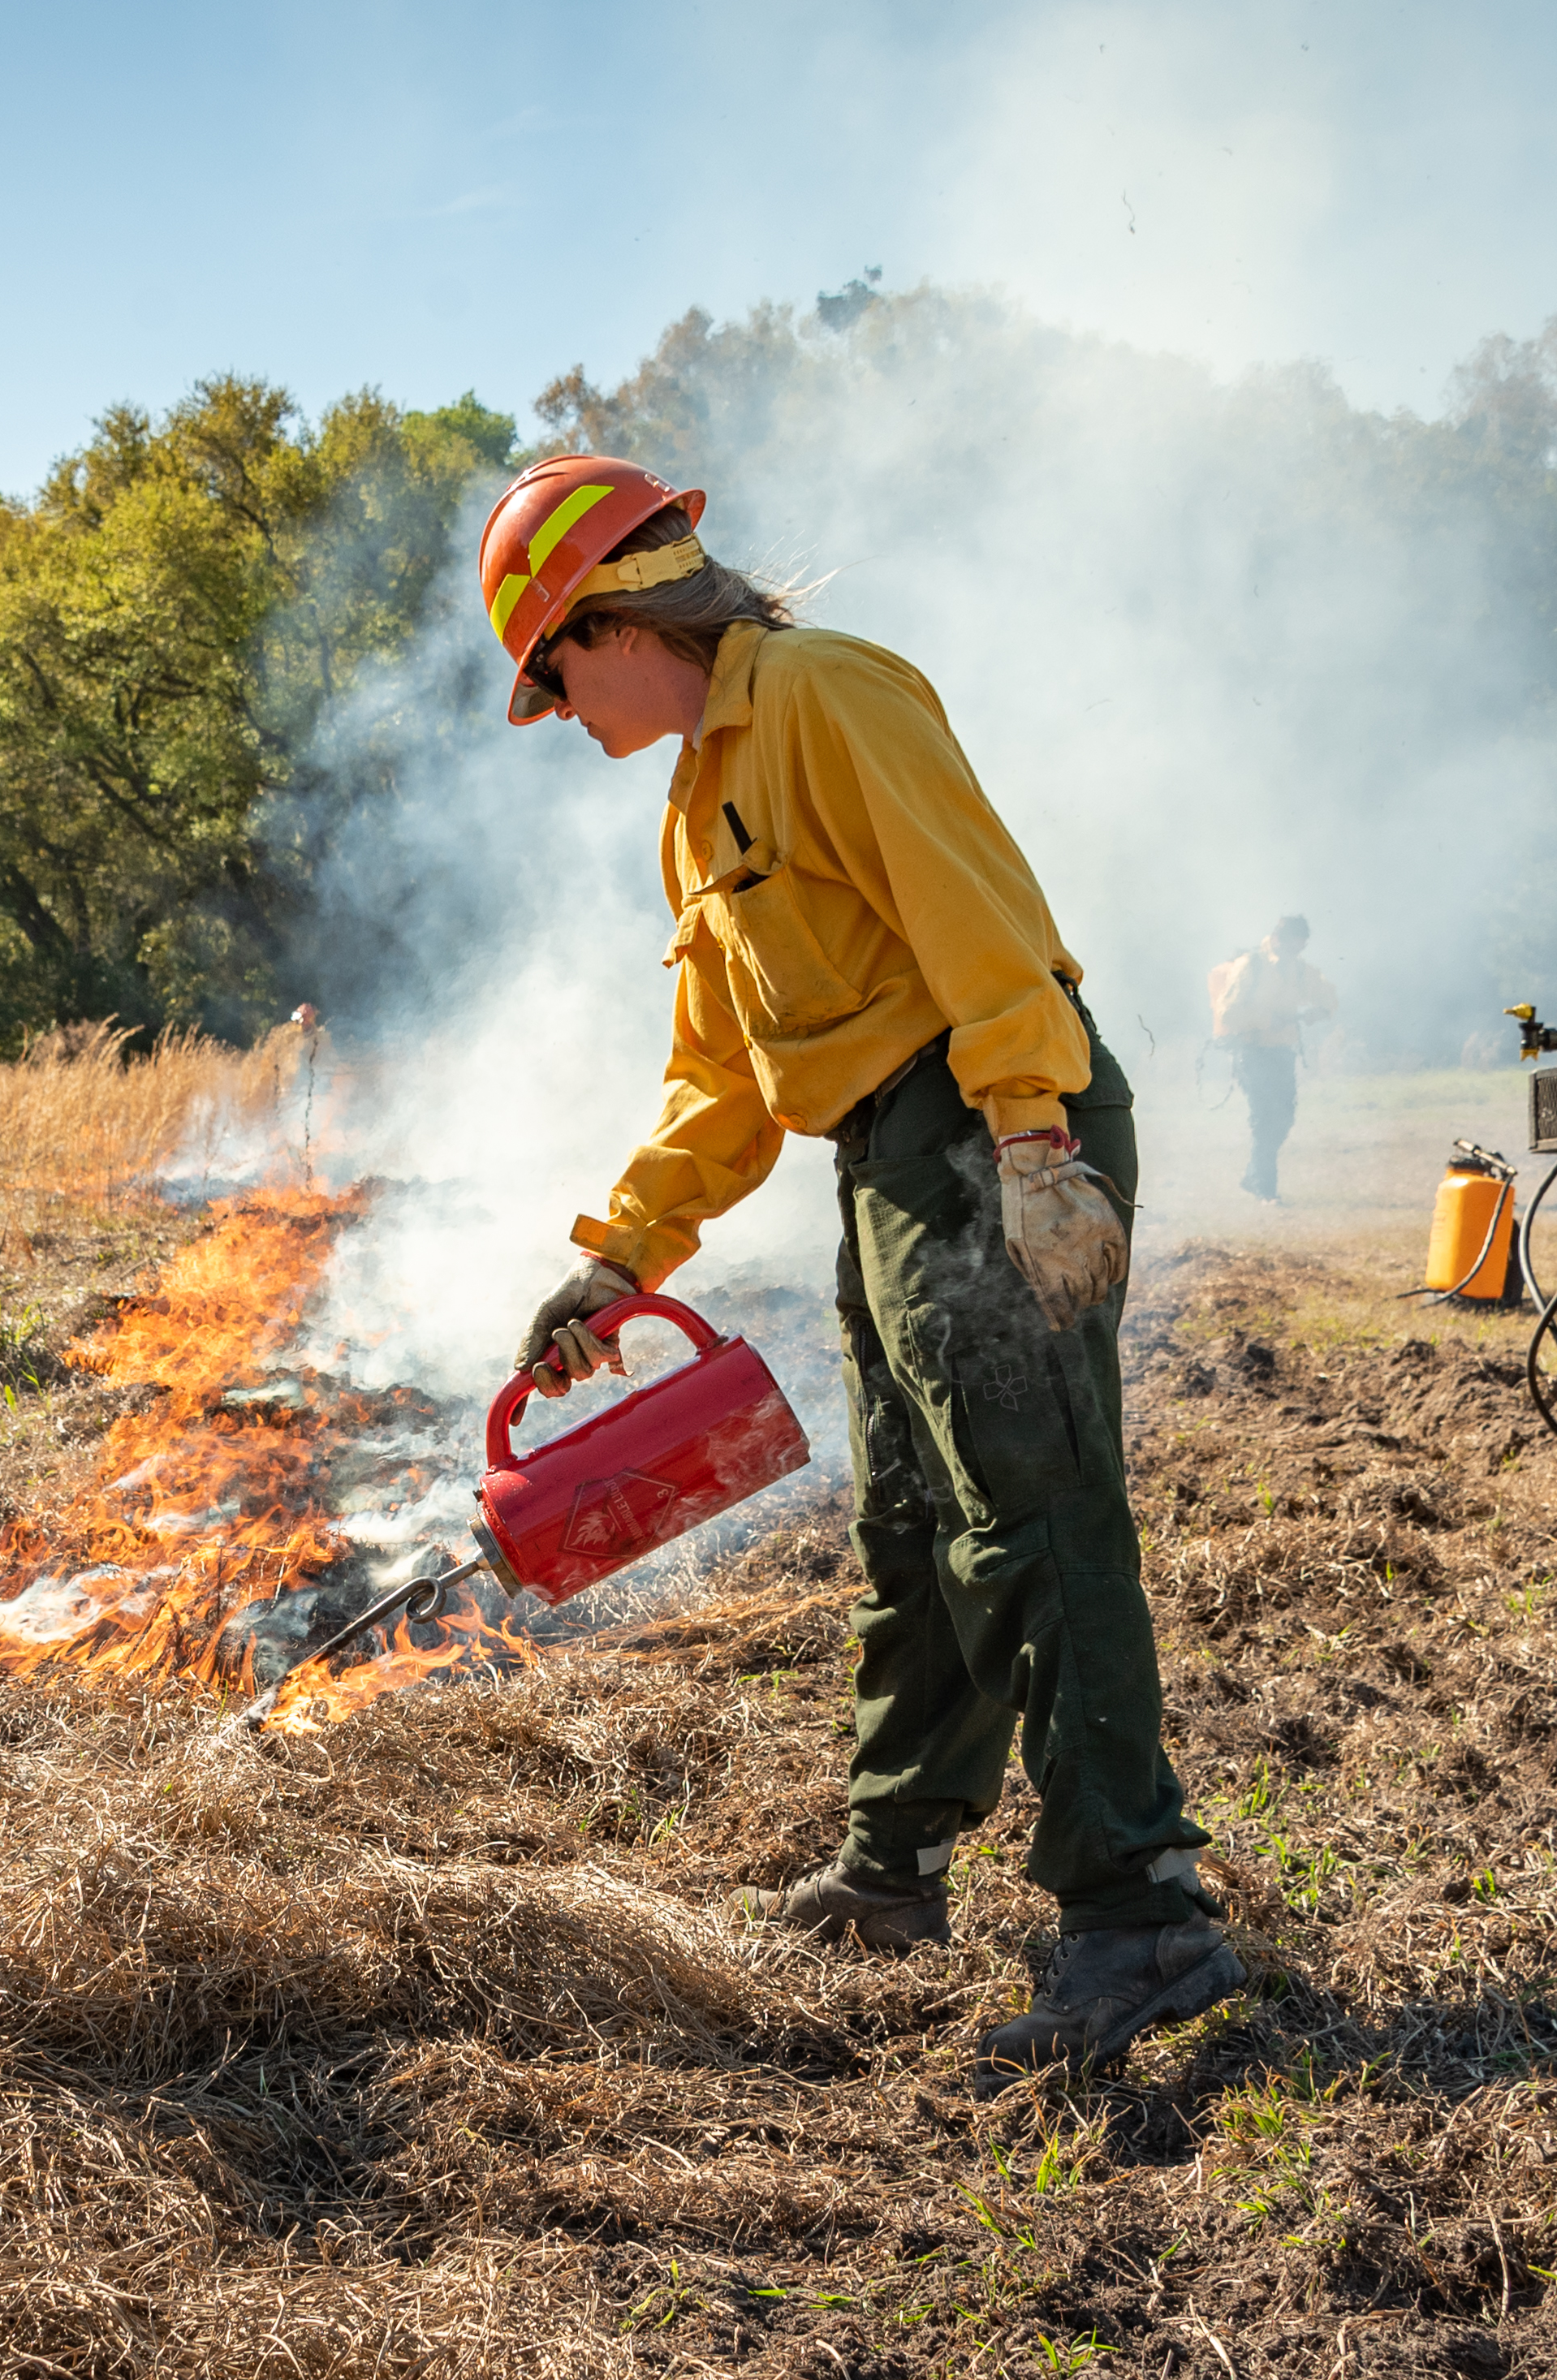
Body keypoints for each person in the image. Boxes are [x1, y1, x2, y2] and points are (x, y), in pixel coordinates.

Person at [479, 453, 1241, 2080]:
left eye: (551, 679)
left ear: (612, 619)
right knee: (914, 1516)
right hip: (890, 1153)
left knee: (1030, 1504)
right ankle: (895, 1867)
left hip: (983, 1122)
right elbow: (722, 1083)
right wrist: (621, 1256)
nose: (559, 717)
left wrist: (1035, 1141)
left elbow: (980, 913)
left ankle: (1140, 1908)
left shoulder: (827, 693)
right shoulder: (694, 811)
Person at [1207, 916, 1336, 1202]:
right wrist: (1266, 1020)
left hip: (1282, 1053)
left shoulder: (1300, 970)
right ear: (1277, 939)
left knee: (1284, 1118)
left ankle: (1254, 1176)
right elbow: (1228, 1011)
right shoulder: (1251, 966)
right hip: (1252, 1051)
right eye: (1292, 946)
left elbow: (1328, 995)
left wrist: (1321, 1011)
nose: (1296, 953)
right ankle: (1266, 1189)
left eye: (1300, 948)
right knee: (1265, 1119)